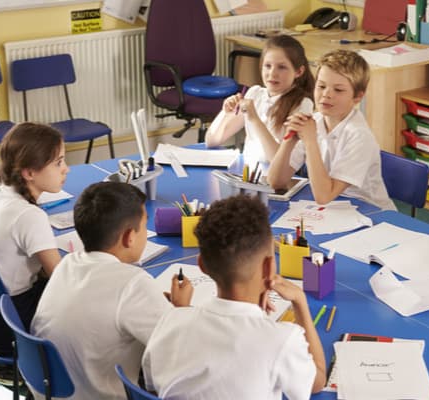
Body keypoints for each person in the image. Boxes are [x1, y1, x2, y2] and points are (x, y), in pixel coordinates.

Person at [142, 194, 326, 399]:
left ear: (202, 265)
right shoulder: (282, 340)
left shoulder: (170, 320)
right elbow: (317, 382)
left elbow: (150, 385)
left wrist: (181, 312)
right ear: (269, 267)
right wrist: (299, 301)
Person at [31, 181, 193, 400]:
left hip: (47, 389)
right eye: (146, 225)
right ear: (129, 237)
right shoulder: (133, 284)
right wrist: (180, 310)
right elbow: (180, 348)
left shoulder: (68, 263)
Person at [0, 122, 69, 359]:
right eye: (58, 162)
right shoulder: (29, 215)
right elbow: (62, 279)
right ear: (29, 173)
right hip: (9, 329)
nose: (66, 169)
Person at [267, 49, 394, 211]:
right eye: (321, 86)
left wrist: (310, 140)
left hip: (371, 213)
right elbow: (275, 182)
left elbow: (323, 196)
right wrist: (289, 140)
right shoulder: (315, 121)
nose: (326, 95)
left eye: (338, 90)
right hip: (335, 208)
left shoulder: (359, 136)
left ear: (357, 97)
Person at [205, 35, 315, 165]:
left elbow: (281, 164)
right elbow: (211, 141)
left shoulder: (302, 105)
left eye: (282, 67)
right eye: (267, 66)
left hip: (274, 179)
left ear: (299, 71)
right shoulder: (255, 93)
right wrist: (225, 113)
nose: (272, 74)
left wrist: (254, 119)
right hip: (248, 173)